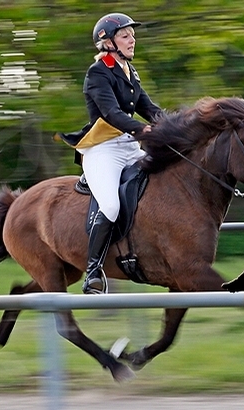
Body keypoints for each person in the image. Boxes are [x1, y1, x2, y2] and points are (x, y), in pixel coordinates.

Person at [60, 13, 162, 294]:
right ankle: (93, 271)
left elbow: (149, 107)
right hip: (103, 150)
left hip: (129, 147)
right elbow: (112, 114)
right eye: (126, 35)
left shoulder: (130, 71)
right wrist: (145, 131)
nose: (133, 40)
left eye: (132, 35)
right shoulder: (98, 72)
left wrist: (173, 125)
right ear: (108, 42)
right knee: (111, 206)